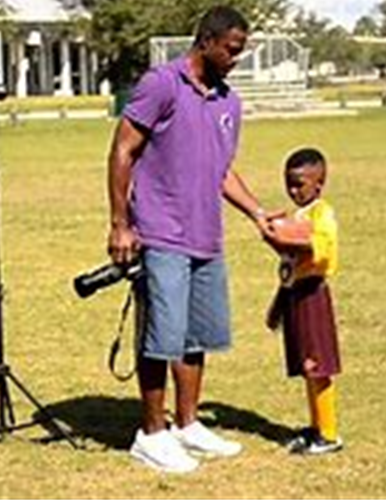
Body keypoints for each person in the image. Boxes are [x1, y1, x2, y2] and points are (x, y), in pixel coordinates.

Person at [106, 5, 276, 473]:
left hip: (206, 235)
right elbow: (123, 149)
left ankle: (187, 424)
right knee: (161, 335)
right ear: (206, 41)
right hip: (159, 231)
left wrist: (259, 214)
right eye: (232, 49)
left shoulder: (228, 102)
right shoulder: (161, 84)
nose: (237, 58)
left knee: (196, 333)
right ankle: (151, 434)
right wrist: (121, 223)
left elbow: (222, 172)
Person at [264, 147, 344, 455]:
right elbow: (288, 265)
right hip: (295, 294)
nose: (293, 190)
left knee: (318, 365)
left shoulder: (322, 212)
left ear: (319, 184)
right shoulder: (298, 215)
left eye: (300, 183)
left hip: (313, 294)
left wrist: (283, 237)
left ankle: (330, 434)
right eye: (289, 183)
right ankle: (316, 426)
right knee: (306, 367)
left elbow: (321, 247)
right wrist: (278, 305)